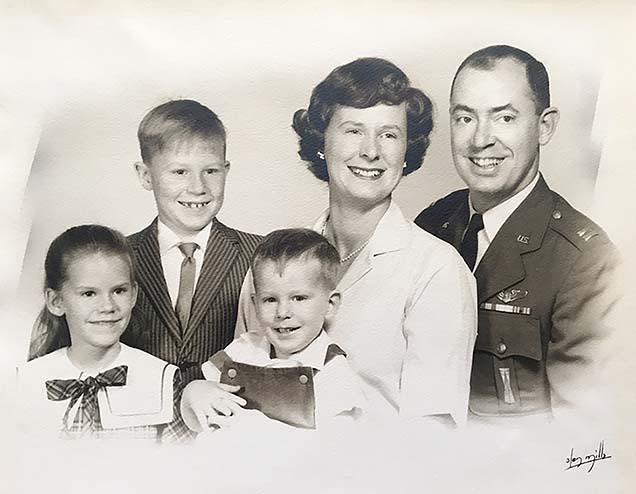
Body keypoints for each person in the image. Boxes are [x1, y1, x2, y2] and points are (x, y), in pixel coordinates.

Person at [237, 58, 477, 427]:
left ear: (406, 152)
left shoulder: (435, 270)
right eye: (353, 130)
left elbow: (434, 437)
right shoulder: (274, 265)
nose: (370, 151)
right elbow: (241, 384)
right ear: (322, 143)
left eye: (389, 134)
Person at [414, 45, 620, 422]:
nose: (480, 140)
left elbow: (585, 435)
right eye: (465, 118)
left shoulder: (585, 262)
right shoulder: (432, 226)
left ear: (545, 126)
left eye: (504, 118)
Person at [121, 99, 261, 387]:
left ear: (226, 170)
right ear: (145, 175)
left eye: (211, 171)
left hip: (229, 420)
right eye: (179, 172)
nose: (198, 187)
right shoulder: (117, 258)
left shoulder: (259, 254)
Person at [181, 228, 365, 433]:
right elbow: (197, 418)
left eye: (299, 298)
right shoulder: (243, 350)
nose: (283, 312)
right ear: (255, 303)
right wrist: (193, 392)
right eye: (270, 299)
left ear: (330, 304)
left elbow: (335, 450)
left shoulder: (333, 372)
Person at [19, 225, 190, 442]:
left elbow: (180, 470)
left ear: (134, 294)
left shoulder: (163, 380)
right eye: (89, 293)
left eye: (119, 291)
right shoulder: (23, 382)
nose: (108, 306)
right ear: (56, 301)